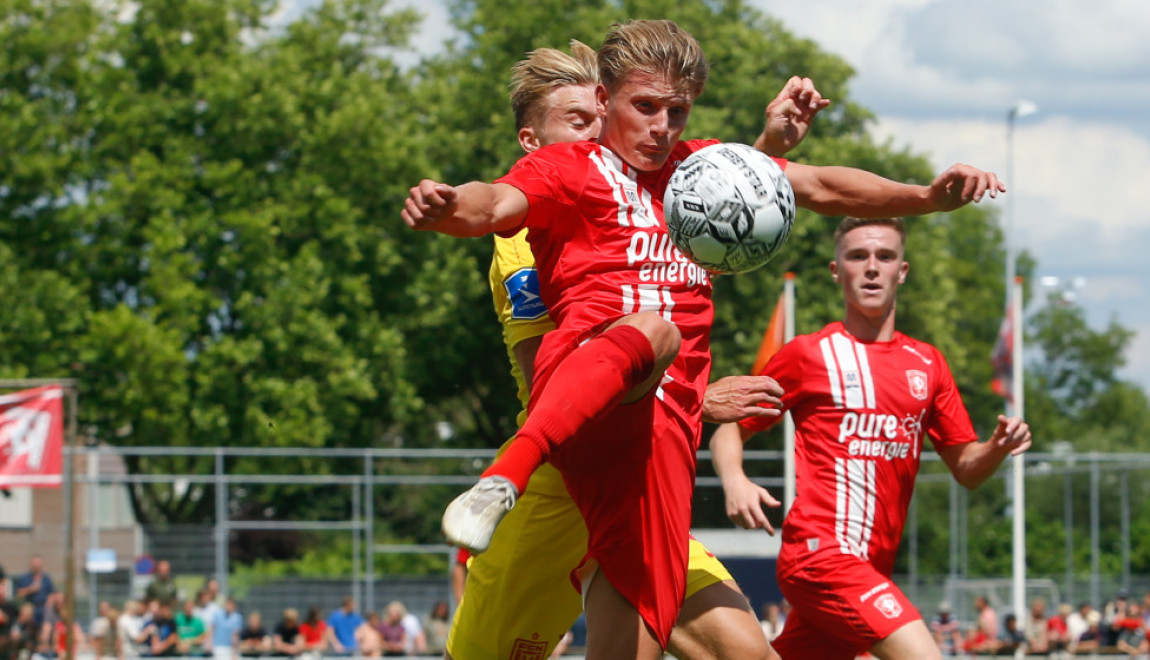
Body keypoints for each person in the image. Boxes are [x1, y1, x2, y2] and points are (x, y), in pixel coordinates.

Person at [406, 20, 1003, 658]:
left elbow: (808, 186)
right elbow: (494, 205)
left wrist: (927, 197)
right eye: (642, 108)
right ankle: (506, 474)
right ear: (600, 107)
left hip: (661, 443)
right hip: (579, 440)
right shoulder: (560, 180)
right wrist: (448, 209)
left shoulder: (691, 174)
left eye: (677, 110)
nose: (662, 126)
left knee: (723, 648)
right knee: (653, 331)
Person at [441, 38, 828, 660]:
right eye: (579, 123)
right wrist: (701, 399)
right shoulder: (524, 239)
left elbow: (705, 230)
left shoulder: (633, 190)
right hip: (561, 487)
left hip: (646, 471)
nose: (602, 134)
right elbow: (556, 374)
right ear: (532, 145)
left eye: (602, 117)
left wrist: (768, 149)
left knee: (748, 653)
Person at [710, 215, 1028, 660]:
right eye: (858, 256)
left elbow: (967, 469)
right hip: (822, 556)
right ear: (837, 270)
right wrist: (734, 480)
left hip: (872, 567)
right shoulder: (809, 354)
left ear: (903, 270)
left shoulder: (929, 364)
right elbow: (729, 424)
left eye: (885, 256)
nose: (872, 267)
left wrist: (997, 446)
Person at [12, 557, 54, 626]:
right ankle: (19, 630)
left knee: (48, 615)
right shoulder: (24, 578)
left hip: (44, 605)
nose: (36, 566)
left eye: (38, 564)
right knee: (26, 613)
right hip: (29, 605)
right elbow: (18, 593)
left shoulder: (46, 578)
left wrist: (49, 602)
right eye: (35, 564)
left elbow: (51, 594)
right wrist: (31, 589)